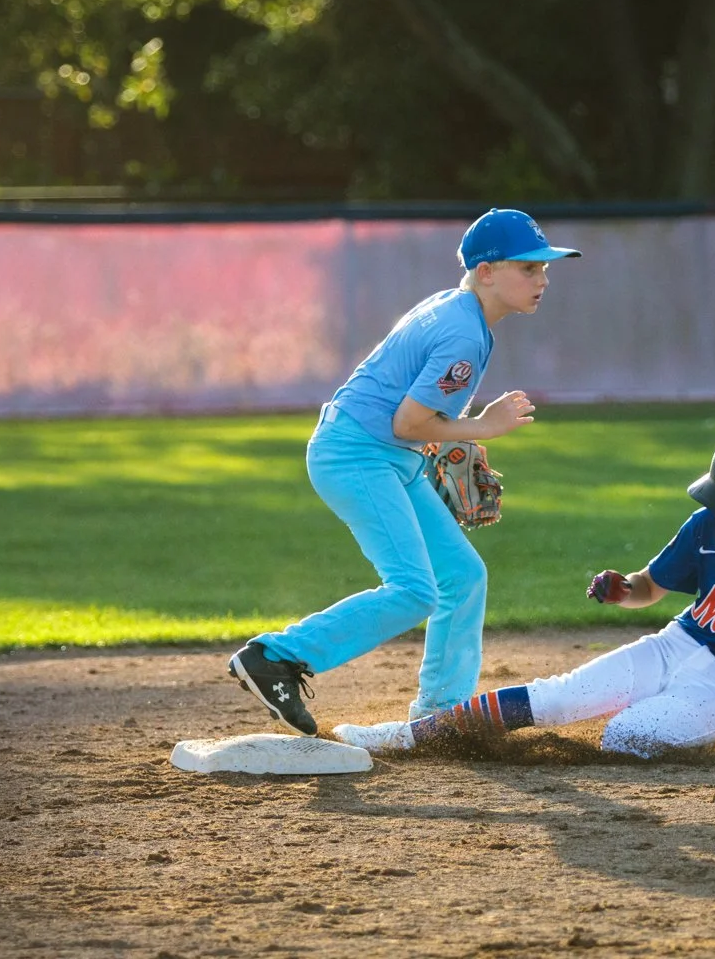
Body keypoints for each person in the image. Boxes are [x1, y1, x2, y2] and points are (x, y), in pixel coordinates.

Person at [227, 208, 582, 736]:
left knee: (461, 578)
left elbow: (405, 408)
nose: (543, 278)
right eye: (528, 267)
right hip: (357, 455)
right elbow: (410, 419)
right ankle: (276, 656)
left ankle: (441, 713)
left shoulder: (457, 307)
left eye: (544, 267)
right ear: (486, 272)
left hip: (387, 454)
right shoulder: (464, 333)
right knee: (415, 589)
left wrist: (443, 438)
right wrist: (481, 428)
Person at [332, 430, 715, 768]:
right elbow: (650, 588)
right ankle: (406, 736)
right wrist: (621, 589)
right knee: (557, 697)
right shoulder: (705, 524)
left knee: (627, 735)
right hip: (675, 644)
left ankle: (689, 729)